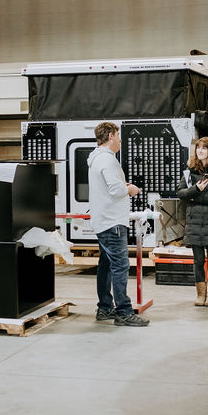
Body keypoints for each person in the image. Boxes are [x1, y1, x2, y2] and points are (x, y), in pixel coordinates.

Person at [87, 122, 150, 327]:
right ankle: (123, 312)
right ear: (111, 136)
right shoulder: (107, 160)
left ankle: (105, 307)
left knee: (106, 265)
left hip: (104, 221)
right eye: (118, 135)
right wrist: (130, 189)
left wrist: (123, 185)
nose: (121, 140)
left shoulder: (96, 158)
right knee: (120, 266)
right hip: (112, 223)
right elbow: (115, 190)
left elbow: (109, 187)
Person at [176, 136, 208, 307]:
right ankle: (200, 294)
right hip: (194, 222)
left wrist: (195, 197)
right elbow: (181, 193)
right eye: (198, 147)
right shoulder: (190, 170)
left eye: (204, 148)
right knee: (198, 260)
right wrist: (195, 189)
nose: (200, 151)